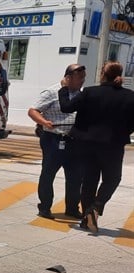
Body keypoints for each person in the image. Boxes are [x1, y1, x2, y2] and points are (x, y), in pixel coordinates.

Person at [58, 61, 134, 233]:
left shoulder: (90, 92)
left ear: (102, 74)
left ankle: (87, 217)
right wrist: (123, 132)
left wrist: (64, 89)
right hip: (113, 145)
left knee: (89, 181)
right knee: (113, 178)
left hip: (86, 143)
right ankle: (95, 208)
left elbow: (66, 108)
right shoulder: (130, 96)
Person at [27, 64, 86, 220]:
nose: (82, 81)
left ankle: (72, 208)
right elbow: (33, 111)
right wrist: (44, 122)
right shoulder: (51, 92)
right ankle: (45, 207)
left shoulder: (80, 95)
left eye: (83, 78)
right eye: (79, 78)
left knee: (75, 176)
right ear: (68, 78)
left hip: (74, 141)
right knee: (48, 173)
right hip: (53, 139)